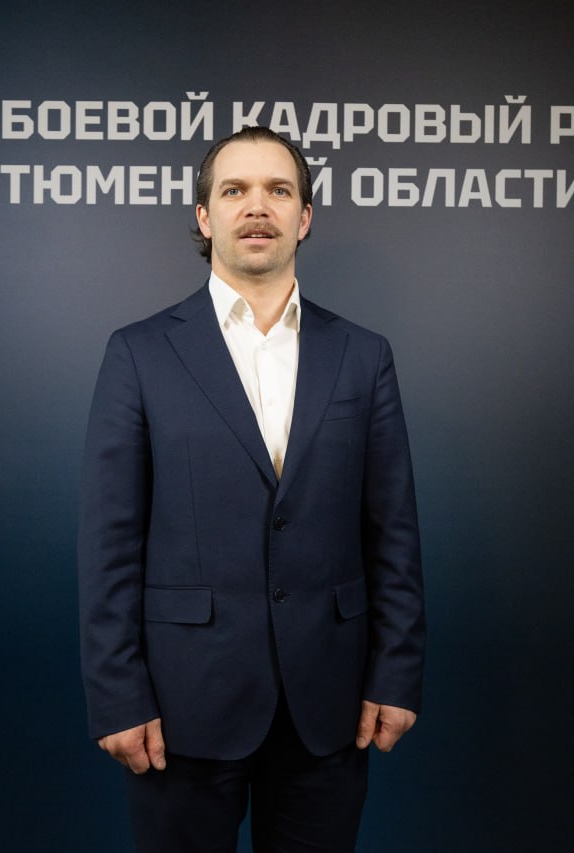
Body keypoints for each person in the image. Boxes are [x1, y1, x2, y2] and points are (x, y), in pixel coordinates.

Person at [78, 125, 425, 853]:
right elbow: (109, 543)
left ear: (305, 216)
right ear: (205, 217)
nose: (257, 206)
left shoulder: (364, 356)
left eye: (278, 190)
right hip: (181, 704)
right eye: (234, 190)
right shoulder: (138, 353)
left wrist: (395, 673)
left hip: (327, 705)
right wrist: (117, 694)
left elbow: (392, 531)